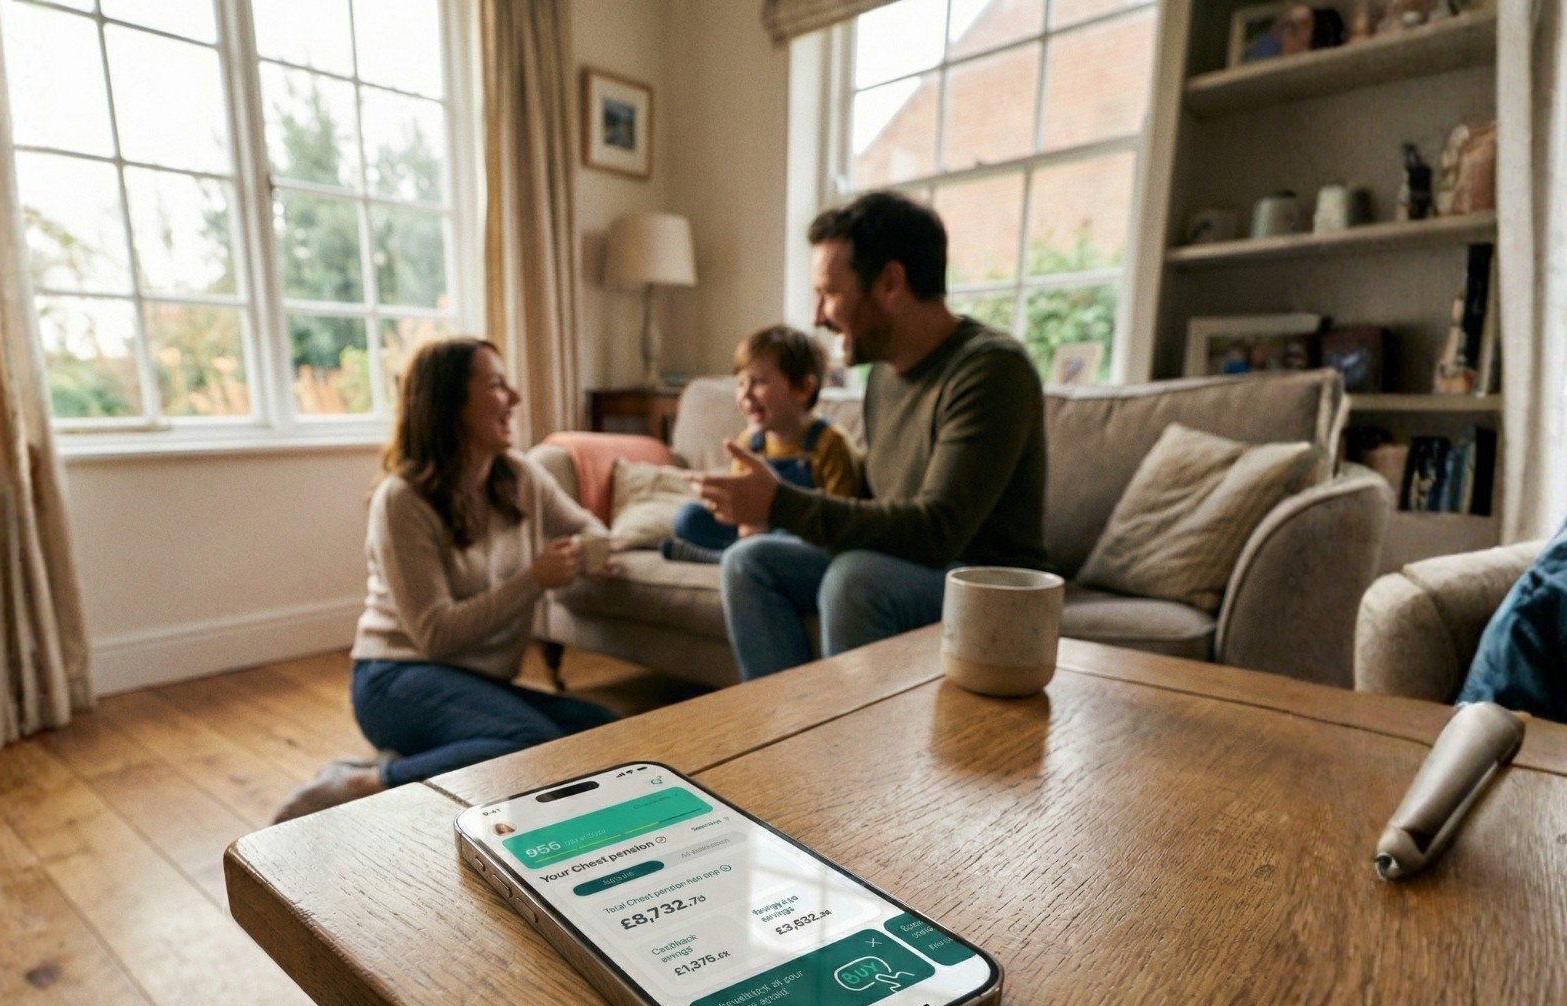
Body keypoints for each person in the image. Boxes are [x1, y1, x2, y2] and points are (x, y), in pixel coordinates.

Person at [694, 192, 1046, 681]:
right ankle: (790, 731)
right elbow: (880, 504)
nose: (817, 316)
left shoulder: (990, 370)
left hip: (985, 582)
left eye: (830, 293)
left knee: (855, 579)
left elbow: (936, 530)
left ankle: (847, 751)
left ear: (891, 284)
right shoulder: (885, 374)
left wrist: (780, 504)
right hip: (908, 563)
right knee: (748, 562)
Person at [275, 339, 617, 822]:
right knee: (529, 745)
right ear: (448, 404)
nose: (515, 397)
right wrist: (535, 578)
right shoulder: (403, 499)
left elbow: (592, 530)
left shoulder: (520, 476)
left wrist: (589, 555)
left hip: (480, 682)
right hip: (395, 680)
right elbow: (436, 635)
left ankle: (417, 767)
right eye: (497, 385)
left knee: (605, 730)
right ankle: (361, 784)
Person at [661, 324, 862, 564]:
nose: (745, 396)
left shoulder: (830, 444)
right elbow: (738, 506)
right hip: (754, 532)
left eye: (757, 382)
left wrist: (763, 527)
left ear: (802, 388)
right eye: (740, 383)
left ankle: (726, 557)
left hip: (802, 536)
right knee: (688, 518)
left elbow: (840, 521)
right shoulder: (749, 444)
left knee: (791, 540)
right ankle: (736, 554)